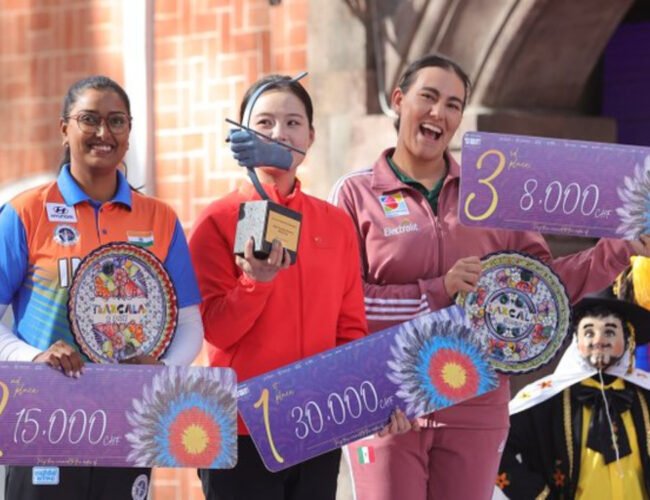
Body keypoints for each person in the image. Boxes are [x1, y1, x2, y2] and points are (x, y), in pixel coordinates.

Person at [328, 53, 650, 500]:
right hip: (388, 404)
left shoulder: (495, 192)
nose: (440, 112)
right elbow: (344, 303)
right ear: (399, 100)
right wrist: (439, 290)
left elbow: (545, 291)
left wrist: (620, 249)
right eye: (429, 97)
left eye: (454, 104)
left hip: (476, 404)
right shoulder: (354, 193)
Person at [0, 75, 204, 500]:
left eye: (116, 121)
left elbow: (190, 325)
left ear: (129, 132)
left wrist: (161, 371)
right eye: (89, 119)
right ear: (64, 128)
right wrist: (36, 357)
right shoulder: (24, 213)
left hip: (124, 420)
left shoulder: (160, 219)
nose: (103, 133)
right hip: (43, 419)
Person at [189, 74, 374, 500]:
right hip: (239, 424)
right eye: (266, 122)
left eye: (293, 123)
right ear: (242, 133)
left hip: (315, 420)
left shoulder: (336, 224)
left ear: (311, 135)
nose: (280, 133)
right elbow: (214, 330)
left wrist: (359, 398)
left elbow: (350, 328)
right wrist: (256, 283)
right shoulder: (217, 219)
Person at [496, 284, 650, 499]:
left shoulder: (645, 394)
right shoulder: (546, 399)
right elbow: (496, 447)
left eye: (609, 331)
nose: (599, 341)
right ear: (577, 341)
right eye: (589, 332)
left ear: (627, 340)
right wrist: (539, 495)